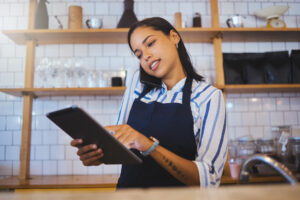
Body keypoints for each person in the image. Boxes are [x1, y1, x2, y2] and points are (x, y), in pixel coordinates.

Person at [71, 17, 228, 188]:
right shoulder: (136, 86)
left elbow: (209, 180)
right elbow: (118, 143)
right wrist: (98, 154)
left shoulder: (208, 97)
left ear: (174, 37)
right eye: (138, 54)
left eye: (150, 43)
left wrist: (148, 145)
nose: (145, 56)